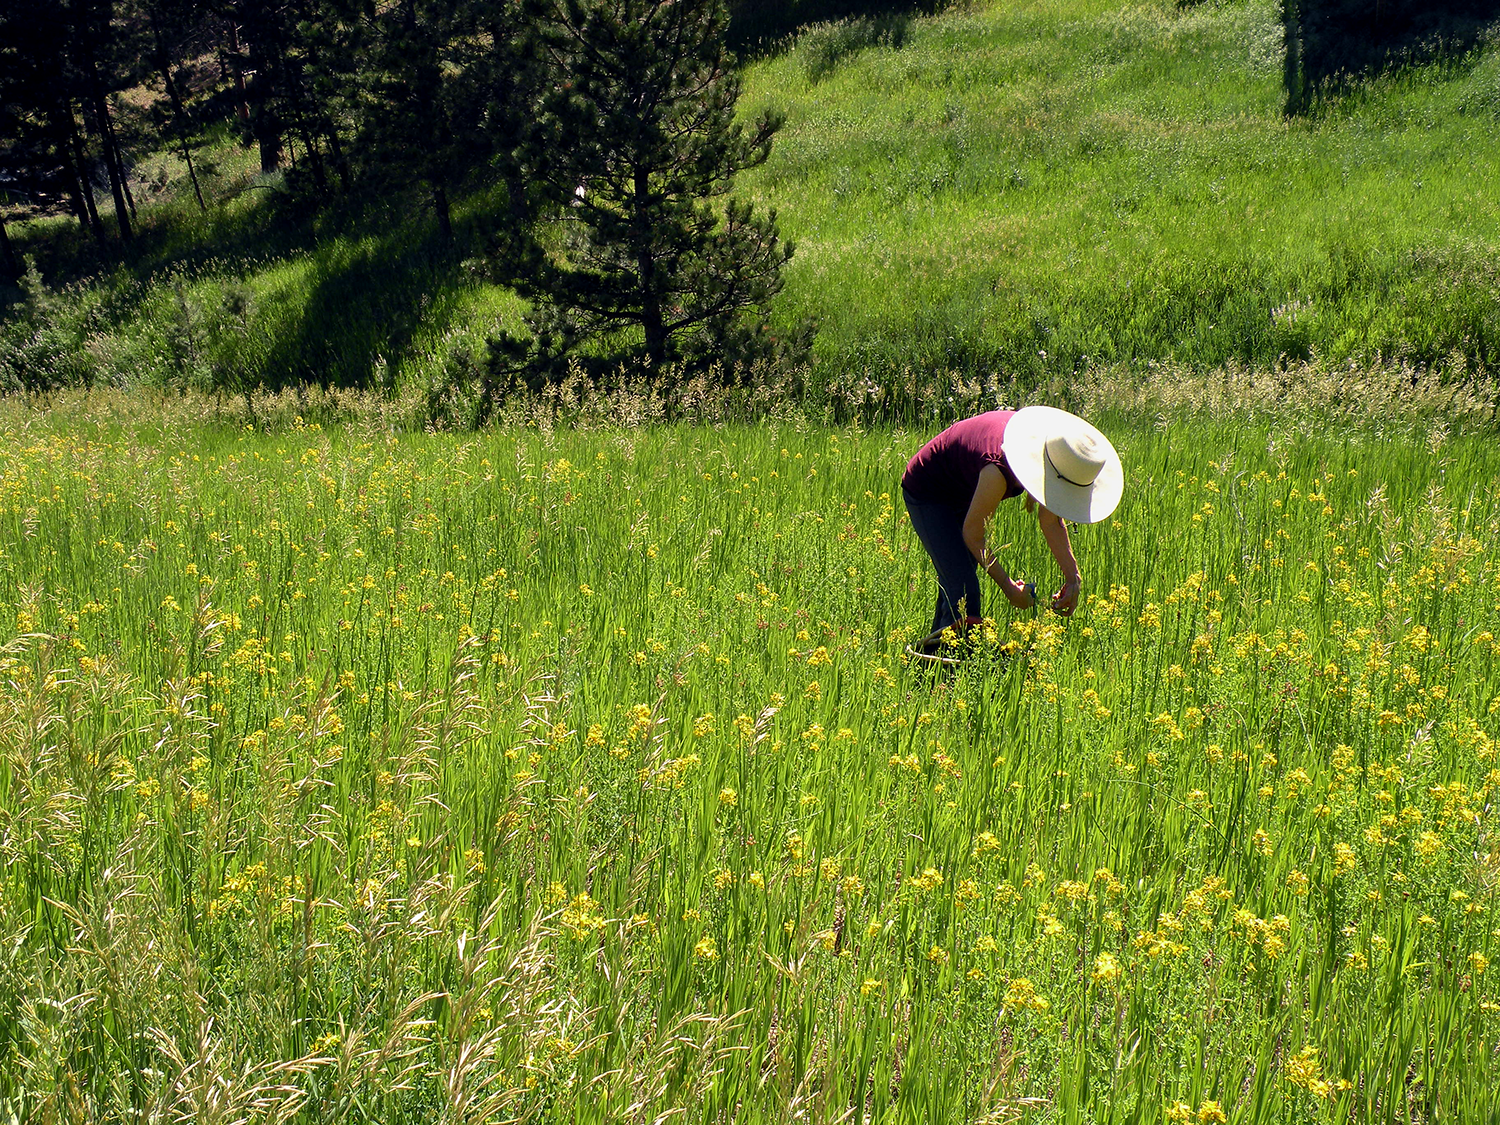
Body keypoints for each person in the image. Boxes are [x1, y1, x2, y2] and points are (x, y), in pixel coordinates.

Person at [901, 405, 1122, 654]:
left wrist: (1073, 579)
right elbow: (973, 535)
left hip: (965, 488)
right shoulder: (998, 471)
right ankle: (950, 670)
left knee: (957, 582)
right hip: (929, 489)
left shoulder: (1056, 457)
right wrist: (1010, 590)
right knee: (964, 589)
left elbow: (1050, 521)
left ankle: (932, 663)